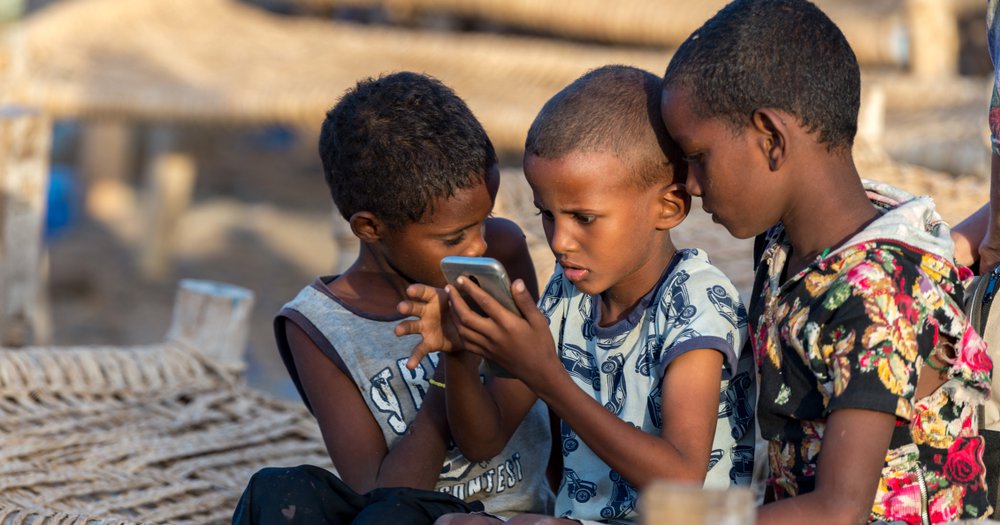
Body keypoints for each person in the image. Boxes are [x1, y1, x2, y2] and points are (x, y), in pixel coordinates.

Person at [659, 0, 994, 523]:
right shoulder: (785, 245)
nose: (692, 184)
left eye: (698, 157)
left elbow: (841, 509)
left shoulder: (874, 300)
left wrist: (691, 519)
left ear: (771, 140)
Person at [397, 65, 757, 524]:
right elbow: (485, 441)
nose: (559, 241)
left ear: (668, 207)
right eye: (547, 215)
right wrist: (461, 356)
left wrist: (548, 379)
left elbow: (681, 479)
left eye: (583, 218)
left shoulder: (698, 301)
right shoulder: (567, 295)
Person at [231, 71, 554, 524]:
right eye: (455, 236)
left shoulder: (501, 252)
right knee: (279, 492)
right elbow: (378, 494)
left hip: (514, 516)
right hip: (403, 516)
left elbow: (493, 433)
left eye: (485, 219)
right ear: (370, 228)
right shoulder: (318, 326)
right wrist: (448, 365)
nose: (478, 246)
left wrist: (461, 358)